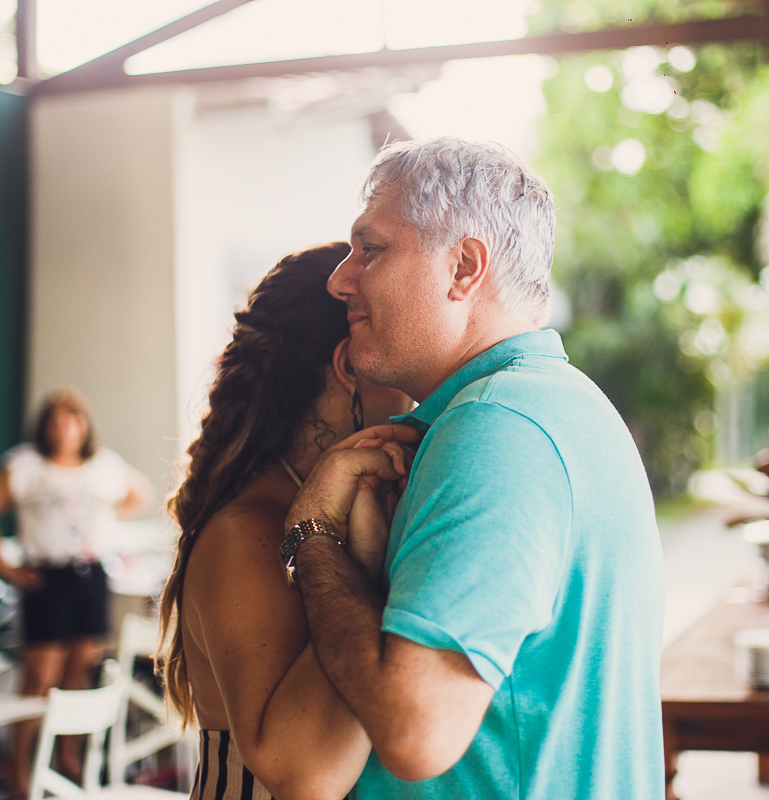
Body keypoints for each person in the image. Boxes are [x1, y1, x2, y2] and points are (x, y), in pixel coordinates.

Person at [282, 137, 666, 799]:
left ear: (462, 268)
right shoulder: (557, 405)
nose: (339, 280)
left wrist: (312, 536)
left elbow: (416, 731)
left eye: (371, 250)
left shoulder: (496, 429)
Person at [156, 242, 413, 800]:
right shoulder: (248, 532)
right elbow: (305, 775)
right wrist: (362, 561)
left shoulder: (294, 505)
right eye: (400, 358)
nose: (415, 395)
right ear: (349, 365)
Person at [0, 387, 154, 790]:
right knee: (40, 676)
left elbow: (142, 493)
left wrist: (105, 521)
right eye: (55, 420)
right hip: (46, 579)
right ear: (44, 427)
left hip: (92, 575)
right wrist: (5, 567)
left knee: (80, 669)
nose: (64, 428)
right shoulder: (25, 465)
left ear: (84, 426)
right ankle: (21, 769)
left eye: (72, 419)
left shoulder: (103, 465)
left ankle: (67, 761)